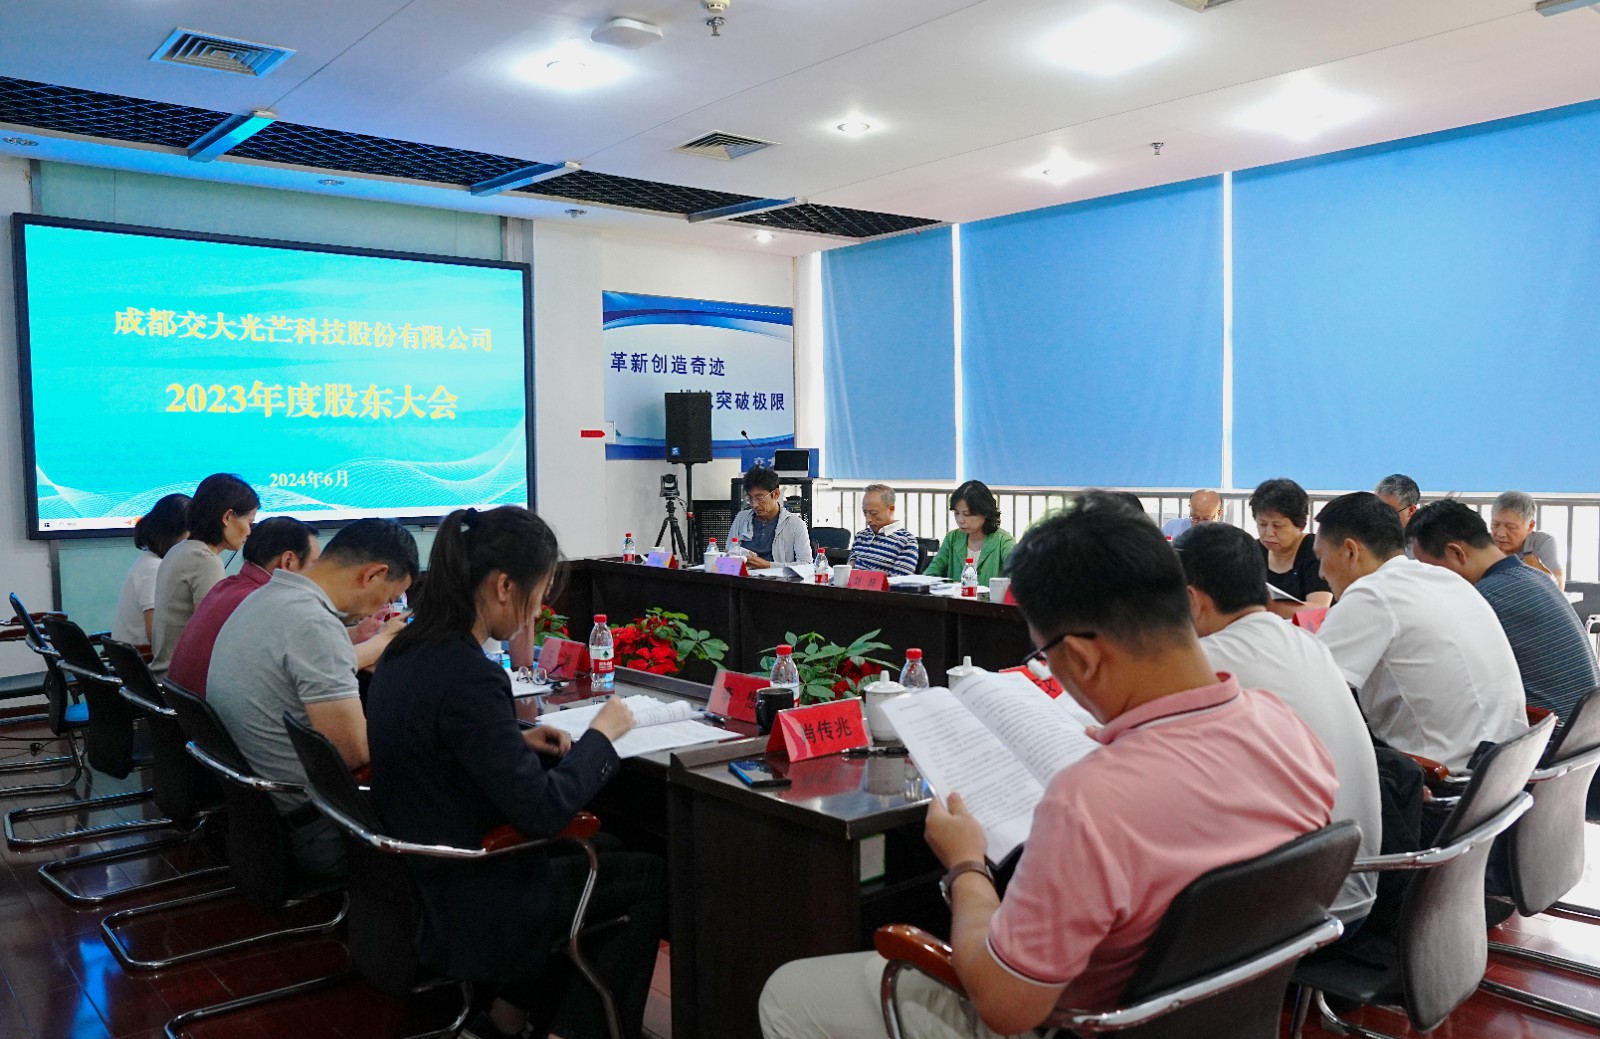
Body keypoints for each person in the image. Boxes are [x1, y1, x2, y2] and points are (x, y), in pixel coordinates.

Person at [758, 493, 1336, 1039]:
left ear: (1081, 657)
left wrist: (965, 864)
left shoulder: (1091, 800)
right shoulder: (1285, 728)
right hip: (1218, 1011)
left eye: (1046, 655)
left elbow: (1005, 1004)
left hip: (1080, 1021)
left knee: (788, 992)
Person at [368, 507, 667, 1039]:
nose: (538, 610)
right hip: (475, 887)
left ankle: (508, 1015)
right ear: (505, 586)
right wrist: (602, 736)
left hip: (421, 867)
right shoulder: (469, 674)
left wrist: (512, 738)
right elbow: (543, 812)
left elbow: (435, 741)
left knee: (611, 846)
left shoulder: (406, 651)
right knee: (648, 877)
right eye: (539, 594)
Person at [1174, 521, 1381, 926]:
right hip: (1357, 885)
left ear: (1191, 599)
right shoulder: (1306, 643)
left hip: (1299, 915)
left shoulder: (1208, 660)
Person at [206, 518, 417, 878]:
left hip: (261, 815)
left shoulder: (265, 597)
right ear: (373, 575)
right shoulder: (313, 622)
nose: (380, 608)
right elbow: (353, 755)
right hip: (315, 830)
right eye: (388, 597)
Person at [1313, 493, 1527, 771]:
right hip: (1505, 771)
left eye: (1321, 557)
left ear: (1350, 551)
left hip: (1441, 780)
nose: (1320, 573)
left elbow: (1307, 689)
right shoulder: (1446, 578)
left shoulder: (1372, 594)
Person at [1407, 499, 1598, 721]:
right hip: (1584, 730)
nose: (1430, 580)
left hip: (1546, 734)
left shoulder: (1484, 597)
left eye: (1430, 568)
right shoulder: (1535, 576)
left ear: (1456, 553)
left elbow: (1444, 678)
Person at [167, 518, 321, 697]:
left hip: (186, 706)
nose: (317, 574)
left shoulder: (227, 587)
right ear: (288, 561)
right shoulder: (261, 601)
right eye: (314, 564)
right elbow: (316, 664)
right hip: (214, 708)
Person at [150, 473, 259, 676]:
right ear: (227, 517)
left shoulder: (180, 550)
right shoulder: (204, 561)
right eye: (250, 522)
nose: (249, 532)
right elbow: (213, 635)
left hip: (167, 676)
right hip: (183, 681)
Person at [110, 493, 190, 646]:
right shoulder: (154, 569)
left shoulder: (148, 561)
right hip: (142, 658)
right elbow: (155, 635)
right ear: (174, 532)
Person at [1250, 477, 1332, 615]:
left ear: (1300, 525)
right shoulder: (1252, 551)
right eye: (1262, 524)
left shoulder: (1315, 551)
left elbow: (1319, 609)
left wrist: (1272, 608)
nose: (1269, 533)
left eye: (1278, 525)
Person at [925, 480, 1015, 584]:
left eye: (967, 514)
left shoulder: (1003, 541)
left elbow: (1018, 573)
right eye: (956, 513)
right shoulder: (952, 538)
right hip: (957, 595)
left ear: (985, 512)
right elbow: (930, 573)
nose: (960, 520)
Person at [726, 466, 811, 569]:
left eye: (760, 498)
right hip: (743, 577)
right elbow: (728, 556)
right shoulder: (741, 518)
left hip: (777, 578)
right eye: (750, 498)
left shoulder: (795, 524)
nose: (754, 504)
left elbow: (806, 565)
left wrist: (768, 565)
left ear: (776, 494)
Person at [1491, 491, 1565, 589]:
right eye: (1495, 524)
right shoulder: (1483, 543)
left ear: (1530, 526)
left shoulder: (1542, 542)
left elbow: (1558, 586)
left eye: (1510, 527)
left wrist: (1537, 570)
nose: (1500, 534)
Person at [848, 483, 920, 576]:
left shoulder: (906, 541)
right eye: (865, 512)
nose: (868, 519)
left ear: (891, 509)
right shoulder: (860, 536)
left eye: (873, 513)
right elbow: (849, 568)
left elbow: (900, 580)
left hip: (882, 585)